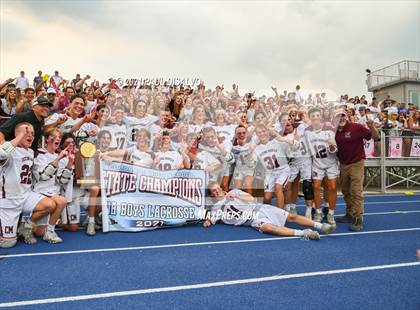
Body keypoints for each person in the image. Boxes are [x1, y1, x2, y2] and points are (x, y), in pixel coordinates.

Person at [0, 123, 63, 248]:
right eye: (26, 132)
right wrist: (20, 136)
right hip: (9, 200)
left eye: (33, 134)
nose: (30, 135)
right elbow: (2, 153)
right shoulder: (10, 149)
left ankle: (26, 225)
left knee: (50, 204)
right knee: (8, 243)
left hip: (26, 195)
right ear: (17, 134)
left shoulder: (30, 152)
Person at [203, 182, 334, 240]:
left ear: (220, 188)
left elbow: (251, 199)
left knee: (291, 217)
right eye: (213, 191)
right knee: (268, 228)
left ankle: (321, 226)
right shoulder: (216, 207)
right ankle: (303, 233)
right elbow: (212, 219)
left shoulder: (234, 192)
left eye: (217, 188)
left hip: (259, 208)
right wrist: (208, 221)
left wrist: (235, 196)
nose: (216, 191)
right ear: (212, 195)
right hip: (252, 219)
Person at [334, 108, 379, 231]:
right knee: (345, 191)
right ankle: (350, 213)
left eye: (343, 115)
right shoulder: (334, 131)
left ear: (347, 116)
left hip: (356, 163)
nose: (341, 118)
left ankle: (358, 218)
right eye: (338, 116)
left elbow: (376, 137)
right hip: (343, 164)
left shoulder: (356, 127)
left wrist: (372, 127)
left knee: (356, 191)